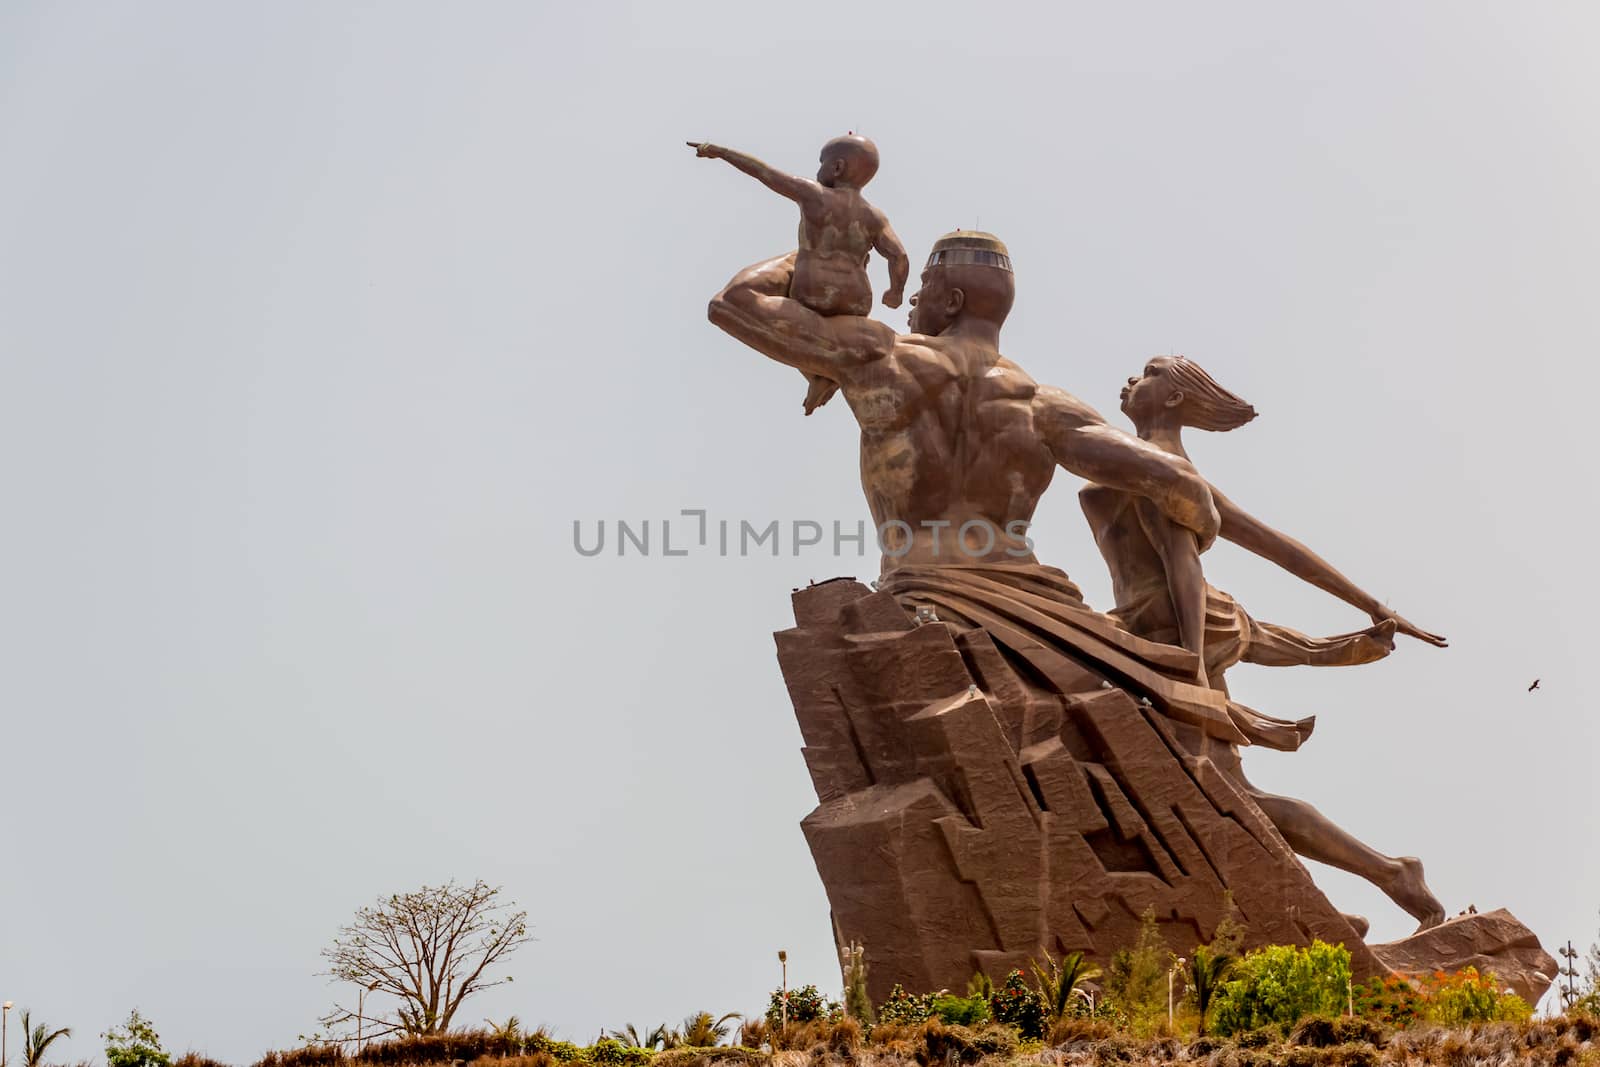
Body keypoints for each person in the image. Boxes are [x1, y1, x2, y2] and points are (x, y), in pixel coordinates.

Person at [1079, 354, 1449, 930]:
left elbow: (1185, 570)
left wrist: (1193, 672)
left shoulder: (1167, 470)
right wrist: (1372, 605)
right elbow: (1277, 545)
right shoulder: (1143, 465)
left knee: (1218, 792)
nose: (1130, 379)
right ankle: (1349, 893)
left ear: (1174, 399)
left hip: (1178, 639)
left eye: (1148, 373)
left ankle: (1379, 879)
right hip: (1149, 636)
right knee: (1212, 791)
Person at [689, 135, 909, 414]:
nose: (818, 169)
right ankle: (819, 376)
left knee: (781, 317)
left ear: (837, 167)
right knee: (803, 328)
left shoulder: (815, 194)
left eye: (822, 163)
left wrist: (722, 152)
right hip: (856, 301)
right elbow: (898, 255)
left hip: (815, 293)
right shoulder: (875, 216)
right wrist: (895, 291)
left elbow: (765, 173)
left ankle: (820, 373)